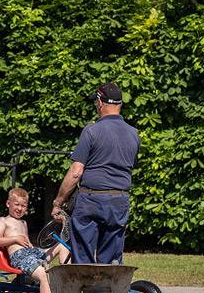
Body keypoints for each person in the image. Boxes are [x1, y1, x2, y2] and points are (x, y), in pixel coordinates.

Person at [52, 82, 139, 264]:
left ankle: (85, 291)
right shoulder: (133, 134)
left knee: (83, 257)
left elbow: (76, 172)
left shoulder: (92, 131)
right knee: (110, 260)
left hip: (92, 200)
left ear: (100, 102)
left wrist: (58, 202)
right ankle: (107, 291)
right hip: (120, 200)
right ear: (120, 104)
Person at [0, 187, 56, 293]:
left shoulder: (23, 223)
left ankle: (66, 273)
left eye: (24, 206)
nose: (20, 208)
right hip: (19, 257)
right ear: (8, 203)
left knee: (62, 246)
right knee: (43, 275)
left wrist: (32, 247)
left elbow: (26, 241)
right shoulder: (3, 221)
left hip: (30, 253)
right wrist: (15, 239)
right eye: (17, 204)